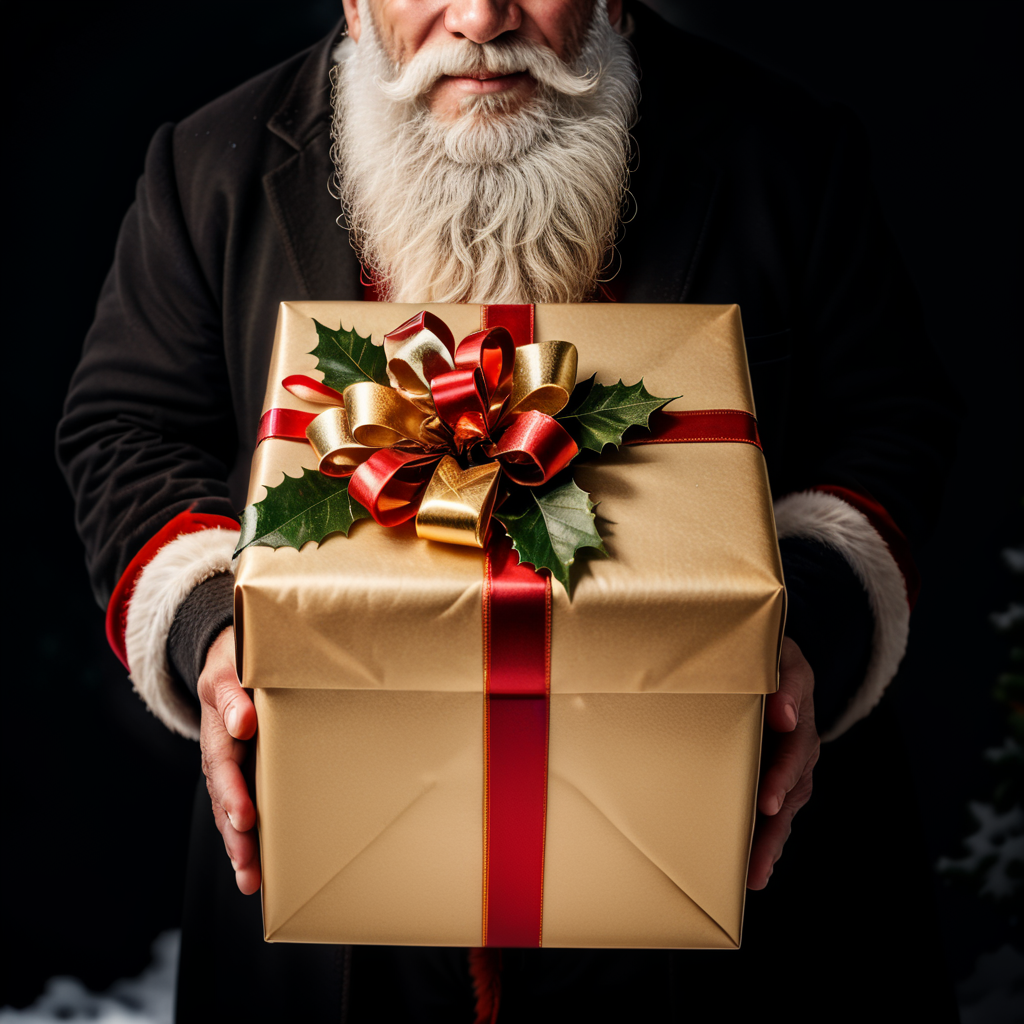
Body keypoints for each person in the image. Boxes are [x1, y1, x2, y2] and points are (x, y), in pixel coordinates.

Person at [57, 0, 957, 1019]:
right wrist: (213, 629)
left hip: (729, 895)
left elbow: (890, 419)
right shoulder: (208, 166)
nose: (482, 19)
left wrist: (799, 632)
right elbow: (127, 428)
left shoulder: (785, 151)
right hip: (335, 915)